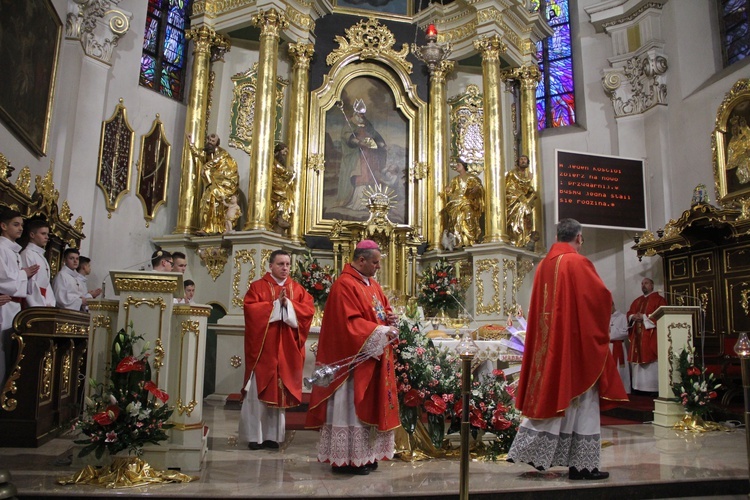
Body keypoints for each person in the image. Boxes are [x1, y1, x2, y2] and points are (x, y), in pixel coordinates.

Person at [507, 219, 627, 480]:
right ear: (579, 238)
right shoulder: (577, 262)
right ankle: (583, 466)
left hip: (549, 347)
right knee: (584, 402)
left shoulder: (543, 265)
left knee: (556, 397)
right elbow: (601, 299)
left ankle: (539, 453)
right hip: (574, 348)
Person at [306, 240, 400, 475]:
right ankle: (347, 459)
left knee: (371, 406)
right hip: (351, 364)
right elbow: (348, 324)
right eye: (375, 262)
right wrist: (380, 331)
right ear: (361, 260)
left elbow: (382, 312)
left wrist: (390, 321)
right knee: (350, 408)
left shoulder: (373, 286)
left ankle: (367, 456)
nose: (378, 266)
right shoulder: (344, 285)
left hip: (373, 358)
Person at [240, 250, 314, 450]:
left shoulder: (296, 289)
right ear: (270, 266)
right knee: (258, 392)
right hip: (263, 351)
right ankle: (255, 437)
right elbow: (250, 310)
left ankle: (273, 436)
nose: (285, 268)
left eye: (288, 264)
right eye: (281, 264)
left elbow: (308, 311)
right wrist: (274, 306)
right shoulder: (257, 287)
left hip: (286, 351)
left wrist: (288, 305)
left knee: (278, 392)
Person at [0, 208, 37, 386]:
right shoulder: (1, 248)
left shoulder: (14, 251)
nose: (20, 228)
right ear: (3, 226)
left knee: (9, 354)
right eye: (16, 224)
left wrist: (23, 274)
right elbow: (5, 280)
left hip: (13, 307)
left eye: (21, 225)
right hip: (4, 306)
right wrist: (24, 274)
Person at [337, 101, 386, 211]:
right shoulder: (350, 124)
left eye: (363, 114)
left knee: (370, 175)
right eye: (360, 114)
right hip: (358, 155)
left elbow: (374, 134)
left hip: (369, 154)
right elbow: (346, 135)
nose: (362, 116)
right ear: (355, 114)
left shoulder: (367, 123)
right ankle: (359, 203)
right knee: (361, 176)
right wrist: (356, 141)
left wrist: (380, 142)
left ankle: (371, 201)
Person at [189, 133, 240, 234]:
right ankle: (206, 228)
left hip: (223, 182)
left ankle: (219, 228)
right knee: (206, 201)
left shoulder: (222, 153)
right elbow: (198, 154)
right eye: (209, 141)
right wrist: (191, 144)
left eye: (213, 141)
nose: (210, 143)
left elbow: (214, 161)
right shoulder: (208, 153)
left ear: (217, 143)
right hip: (213, 184)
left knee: (218, 204)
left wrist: (205, 167)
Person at [627, 278, 666, 395]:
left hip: (651, 336)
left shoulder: (659, 300)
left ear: (652, 285)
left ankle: (652, 388)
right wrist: (632, 317)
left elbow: (662, 316)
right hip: (637, 337)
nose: (644, 285)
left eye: (646, 283)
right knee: (637, 360)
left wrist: (644, 317)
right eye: (642, 283)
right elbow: (629, 313)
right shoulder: (637, 301)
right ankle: (638, 387)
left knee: (652, 360)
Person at [440, 160, 484, 248]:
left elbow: (479, 186)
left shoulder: (471, 177)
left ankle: (471, 239)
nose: (456, 166)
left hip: (467, 201)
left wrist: (476, 188)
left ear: (463, 166)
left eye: (458, 165)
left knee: (468, 217)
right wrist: (448, 190)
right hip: (456, 202)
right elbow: (450, 192)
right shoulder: (455, 179)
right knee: (456, 220)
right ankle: (459, 240)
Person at [20, 219, 56, 307]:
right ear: (32, 235)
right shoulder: (27, 254)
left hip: (44, 302)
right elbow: (30, 284)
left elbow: (47, 284)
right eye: (43, 234)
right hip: (34, 303)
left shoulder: (41, 256)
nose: (47, 237)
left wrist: (50, 303)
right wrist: (41, 305)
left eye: (47, 234)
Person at [505, 154, 538, 248]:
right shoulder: (513, 173)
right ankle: (515, 238)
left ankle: (523, 239)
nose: (523, 161)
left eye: (525, 160)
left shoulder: (526, 175)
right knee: (519, 213)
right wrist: (529, 180)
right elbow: (509, 187)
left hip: (522, 200)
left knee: (526, 215)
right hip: (514, 199)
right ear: (518, 162)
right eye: (521, 159)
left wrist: (532, 193)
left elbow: (528, 189)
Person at [271, 142, 295, 235]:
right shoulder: (275, 161)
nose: (285, 154)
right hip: (278, 185)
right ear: (279, 151)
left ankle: (281, 215)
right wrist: (290, 171)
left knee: (286, 201)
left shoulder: (279, 161)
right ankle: (279, 217)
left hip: (282, 185)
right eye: (284, 151)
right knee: (281, 201)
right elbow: (282, 171)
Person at [610, 302, 631, 394]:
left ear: (613, 305)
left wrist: (611, 333)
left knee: (620, 369)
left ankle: (623, 390)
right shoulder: (603, 317)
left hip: (619, 347)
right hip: (608, 347)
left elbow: (626, 332)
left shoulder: (622, 317)